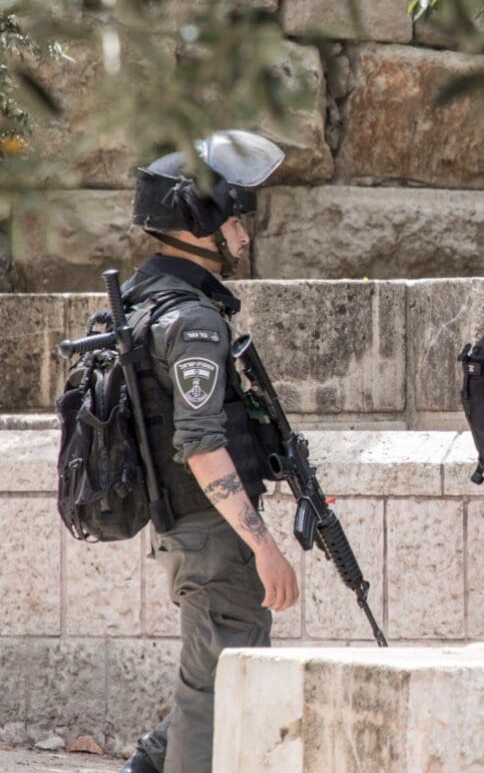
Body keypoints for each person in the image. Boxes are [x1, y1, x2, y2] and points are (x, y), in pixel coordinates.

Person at [120, 130, 299, 773]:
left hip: (188, 527)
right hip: (213, 533)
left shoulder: (144, 302)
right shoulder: (192, 321)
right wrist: (264, 546)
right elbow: (200, 446)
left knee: (213, 674)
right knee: (217, 691)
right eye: (235, 221)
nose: (244, 237)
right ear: (199, 224)